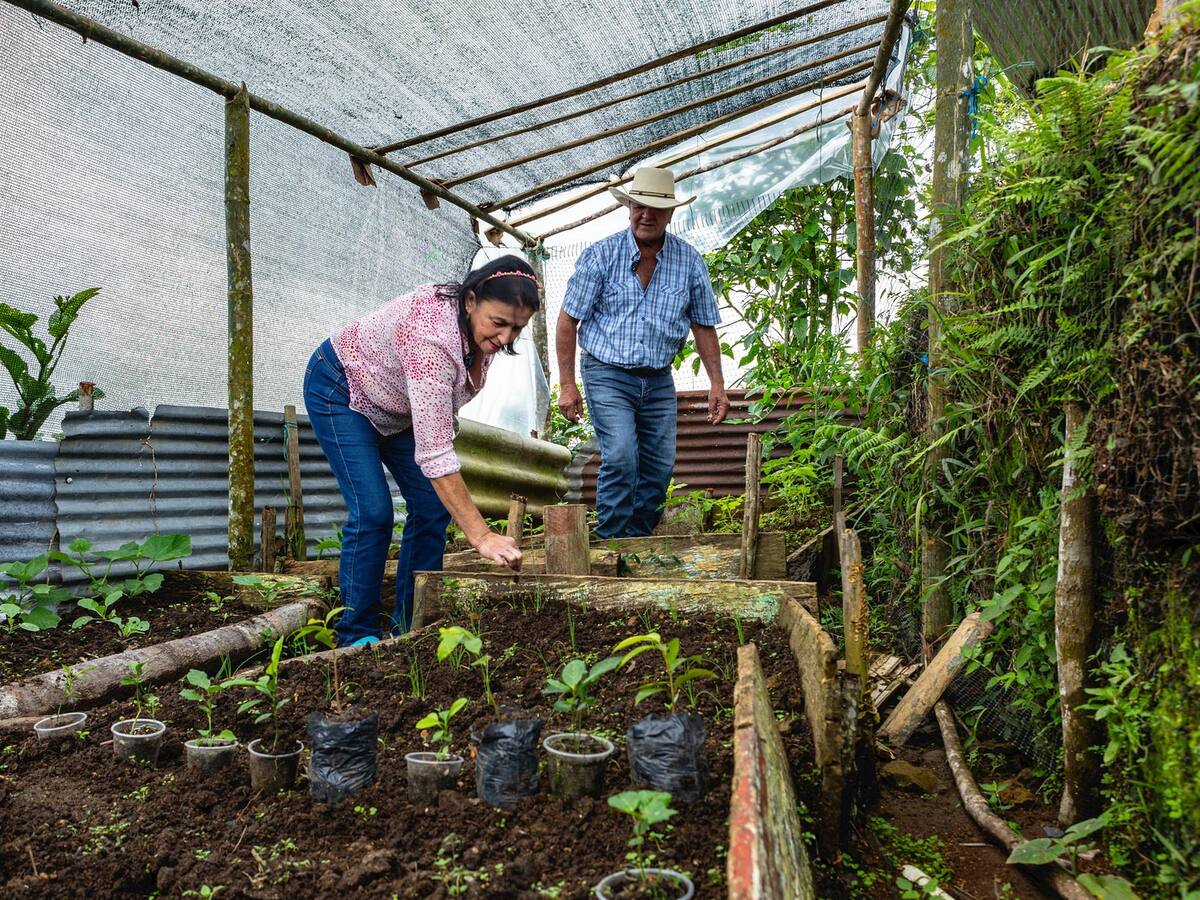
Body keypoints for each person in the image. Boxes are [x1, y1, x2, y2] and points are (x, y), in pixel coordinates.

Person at [303, 256, 537, 646]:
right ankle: (356, 633)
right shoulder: (431, 336)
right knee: (374, 511)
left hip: (396, 406)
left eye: (517, 328)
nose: (506, 338)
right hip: (342, 389)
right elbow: (435, 455)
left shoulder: (480, 333)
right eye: (499, 323)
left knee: (431, 506)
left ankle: (412, 623)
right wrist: (481, 537)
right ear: (471, 301)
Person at [556, 166, 729, 539]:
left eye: (655, 208)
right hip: (607, 373)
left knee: (659, 465)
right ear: (629, 207)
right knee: (619, 455)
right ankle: (610, 542)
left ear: (670, 214)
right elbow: (568, 320)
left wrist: (718, 384)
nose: (645, 214)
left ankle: (636, 542)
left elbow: (703, 325)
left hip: (658, 378)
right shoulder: (601, 256)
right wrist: (567, 385)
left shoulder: (689, 262)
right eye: (638, 205)